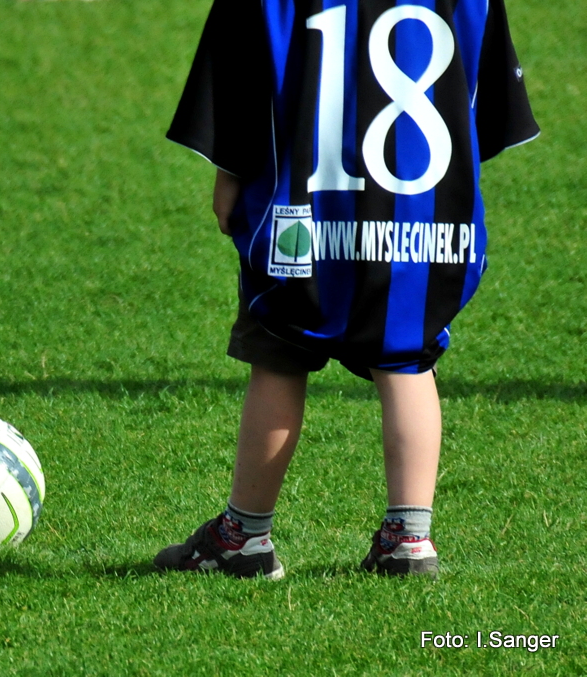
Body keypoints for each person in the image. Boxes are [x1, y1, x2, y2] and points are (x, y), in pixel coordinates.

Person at [155, 0, 538, 579]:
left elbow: (237, 87)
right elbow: (481, 109)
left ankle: (243, 536)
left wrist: (229, 176)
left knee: (279, 352)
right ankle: (409, 540)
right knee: (406, 357)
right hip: (419, 220)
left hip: (302, 214)